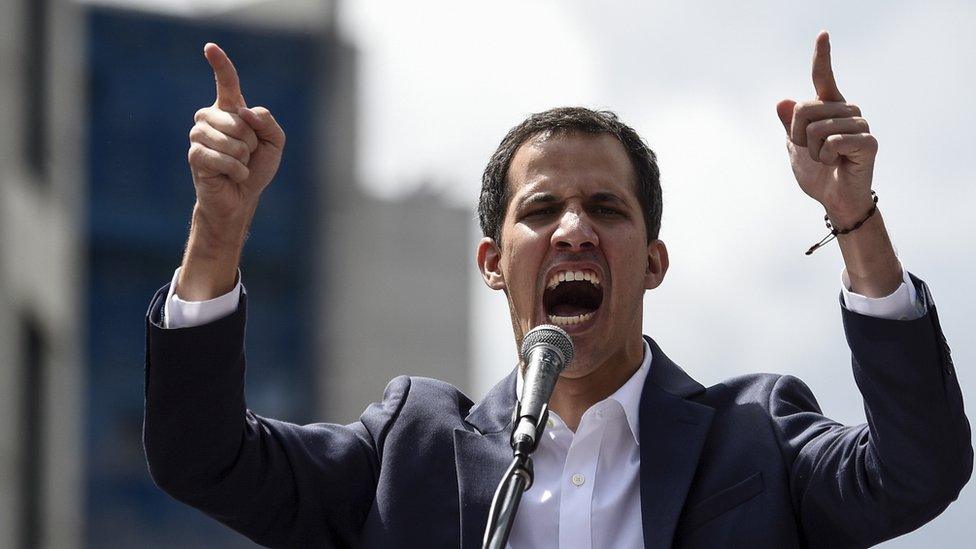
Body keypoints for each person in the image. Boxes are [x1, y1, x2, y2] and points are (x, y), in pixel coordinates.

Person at [143, 32, 972, 548]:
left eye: (606, 208)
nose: (574, 227)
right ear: (492, 261)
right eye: (541, 209)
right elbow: (201, 455)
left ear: (652, 261)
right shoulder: (408, 453)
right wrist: (217, 232)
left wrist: (854, 216)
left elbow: (919, 469)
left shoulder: (756, 438)